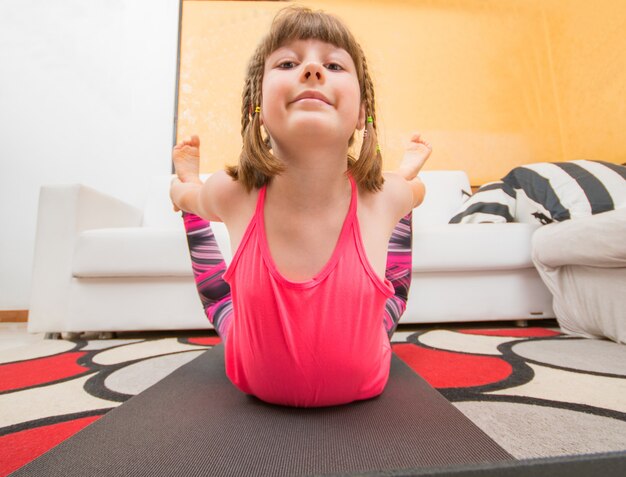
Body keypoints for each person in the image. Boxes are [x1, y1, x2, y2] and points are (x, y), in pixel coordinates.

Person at [170, 6, 431, 407]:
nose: (312, 71)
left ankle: (402, 170)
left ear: (362, 112)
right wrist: (184, 189)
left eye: (333, 65)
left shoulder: (382, 198)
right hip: (247, 365)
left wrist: (407, 182)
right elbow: (190, 202)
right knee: (220, 301)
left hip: (368, 365)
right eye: (289, 62)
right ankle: (191, 174)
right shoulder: (233, 192)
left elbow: (417, 194)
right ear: (258, 103)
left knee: (390, 288)